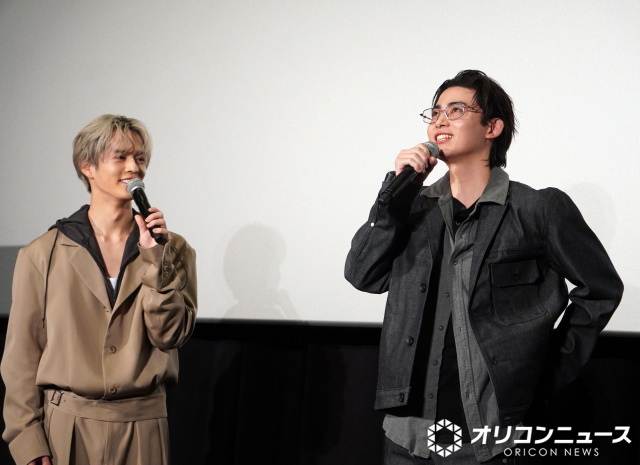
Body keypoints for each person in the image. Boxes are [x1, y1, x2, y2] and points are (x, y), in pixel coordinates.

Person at [345, 70, 623, 464]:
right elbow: (363, 275)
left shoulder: (537, 209)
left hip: (490, 440)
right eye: (435, 112)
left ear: (492, 127)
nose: (440, 121)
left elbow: (601, 291)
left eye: (456, 110)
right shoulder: (413, 209)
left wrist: (548, 372)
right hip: (407, 437)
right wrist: (393, 198)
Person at [1, 115, 197, 465]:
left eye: (140, 158)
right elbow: (22, 357)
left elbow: (170, 335)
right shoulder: (42, 254)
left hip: (143, 427)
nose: (133, 168)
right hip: (67, 427)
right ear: (86, 166)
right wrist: (27, 441)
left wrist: (156, 259)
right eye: (121, 156)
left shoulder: (172, 250)